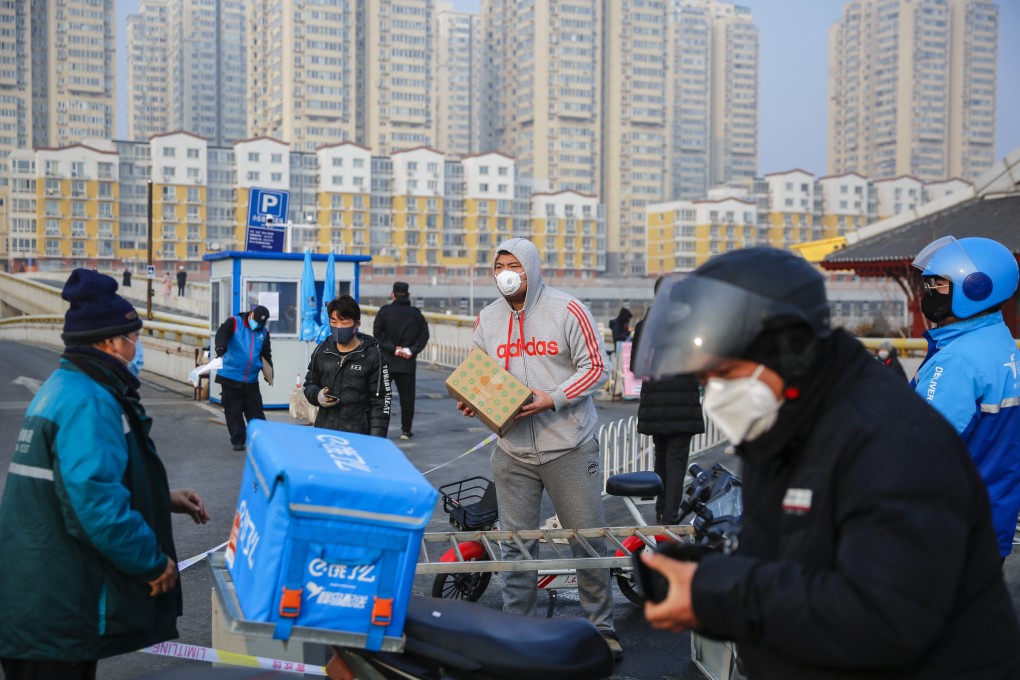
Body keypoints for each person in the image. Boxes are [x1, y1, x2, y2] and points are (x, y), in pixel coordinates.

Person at [632, 247, 1020, 679]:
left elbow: (885, 618)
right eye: (704, 379)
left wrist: (714, 593)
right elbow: (793, 561)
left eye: (723, 373)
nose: (715, 392)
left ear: (785, 349)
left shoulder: (889, 441)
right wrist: (707, 572)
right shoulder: (784, 419)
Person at [0, 269, 210, 679]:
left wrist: (162, 497)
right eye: (134, 338)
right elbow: (94, 502)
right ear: (111, 342)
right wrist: (152, 562)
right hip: (54, 612)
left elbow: (78, 482)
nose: (138, 347)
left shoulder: (65, 386)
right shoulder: (90, 402)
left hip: (39, 601)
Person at [455, 238, 621, 660]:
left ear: (531, 267)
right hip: (511, 450)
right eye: (499, 266)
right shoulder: (488, 319)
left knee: (586, 538)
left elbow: (597, 368)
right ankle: (518, 629)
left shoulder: (567, 310)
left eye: (514, 265)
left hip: (569, 444)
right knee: (516, 543)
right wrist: (473, 398)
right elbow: (478, 371)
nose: (506, 273)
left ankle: (600, 628)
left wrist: (552, 397)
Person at [910, 235, 1020, 561]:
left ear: (975, 288)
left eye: (938, 286)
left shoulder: (958, 361)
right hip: (989, 519)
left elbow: (917, 449)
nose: (928, 294)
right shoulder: (1001, 343)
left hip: (945, 531)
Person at [631, 277, 704, 524]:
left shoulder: (644, 327)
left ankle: (661, 512)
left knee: (660, 460)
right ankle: (670, 520)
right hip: (683, 402)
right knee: (676, 463)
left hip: (656, 404)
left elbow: (634, 366)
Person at [303, 295, 391, 436]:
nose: (338, 327)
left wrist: (377, 440)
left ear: (357, 325)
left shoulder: (373, 355)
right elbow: (309, 384)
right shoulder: (322, 351)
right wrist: (317, 396)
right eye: (334, 322)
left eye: (344, 323)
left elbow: (382, 401)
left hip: (358, 434)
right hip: (325, 431)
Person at [373, 281, 430, 439]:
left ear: (393, 295)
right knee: (407, 399)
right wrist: (410, 350)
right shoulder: (416, 314)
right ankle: (406, 430)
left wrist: (393, 348)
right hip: (407, 364)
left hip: (387, 362)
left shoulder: (384, 312)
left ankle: (379, 430)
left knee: (382, 397)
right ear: (408, 294)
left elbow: (378, 334)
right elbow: (424, 335)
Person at [214, 305, 274, 451]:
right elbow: (222, 333)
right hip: (230, 375)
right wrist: (221, 346)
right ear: (251, 314)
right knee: (233, 410)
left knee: (256, 411)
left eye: (261, 324)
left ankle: (261, 440)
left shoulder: (264, 333)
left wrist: (269, 373)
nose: (258, 326)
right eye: (257, 322)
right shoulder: (235, 322)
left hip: (251, 379)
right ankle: (238, 440)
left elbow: (266, 354)